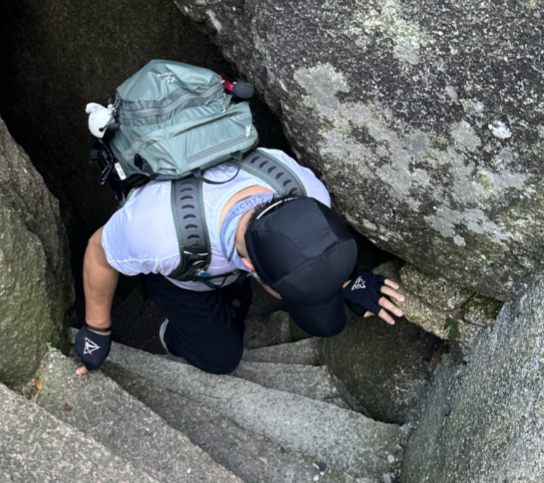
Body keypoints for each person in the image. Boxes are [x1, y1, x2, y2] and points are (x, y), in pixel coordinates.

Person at [74, 147, 404, 375]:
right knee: (221, 359)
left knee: (252, 310)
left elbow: (306, 248)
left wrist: (346, 281)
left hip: (219, 256)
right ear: (253, 270)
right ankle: (172, 335)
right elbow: (99, 253)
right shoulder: (157, 236)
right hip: (181, 276)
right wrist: (98, 330)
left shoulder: (307, 190)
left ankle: (227, 306)